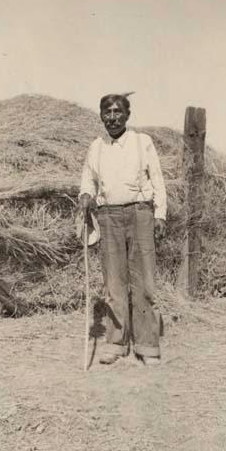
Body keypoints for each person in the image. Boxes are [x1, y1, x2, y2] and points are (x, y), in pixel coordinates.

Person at [79, 92, 167, 365]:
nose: (113, 117)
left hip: (140, 213)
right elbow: (87, 181)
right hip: (108, 216)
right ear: (102, 116)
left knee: (144, 283)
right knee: (114, 283)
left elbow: (158, 179)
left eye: (118, 111)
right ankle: (116, 343)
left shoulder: (143, 142)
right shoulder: (96, 146)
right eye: (107, 112)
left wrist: (160, 214)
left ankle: (147, 346)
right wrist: (85, 196)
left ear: (127, 115)